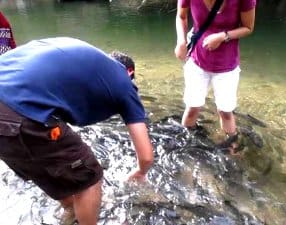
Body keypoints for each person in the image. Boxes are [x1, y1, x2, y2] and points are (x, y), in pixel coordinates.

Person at [0, 37, 154, 225]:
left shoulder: (75, 52)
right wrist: (139, 172)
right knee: (89, 177)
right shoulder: (123, 82)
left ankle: (71, 211)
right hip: (17, 113)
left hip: (9, 110)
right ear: (129, 72)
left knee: (49, 167)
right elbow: (146, 157)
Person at [174, 0, 256, 151]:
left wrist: (223, 36)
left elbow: (248, 27)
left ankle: (232, 153)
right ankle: (184, 148)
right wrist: (181, 41)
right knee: (192, 107)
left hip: (227, 66)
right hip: (197, 61)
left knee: (225, 112)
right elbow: (181, 16)